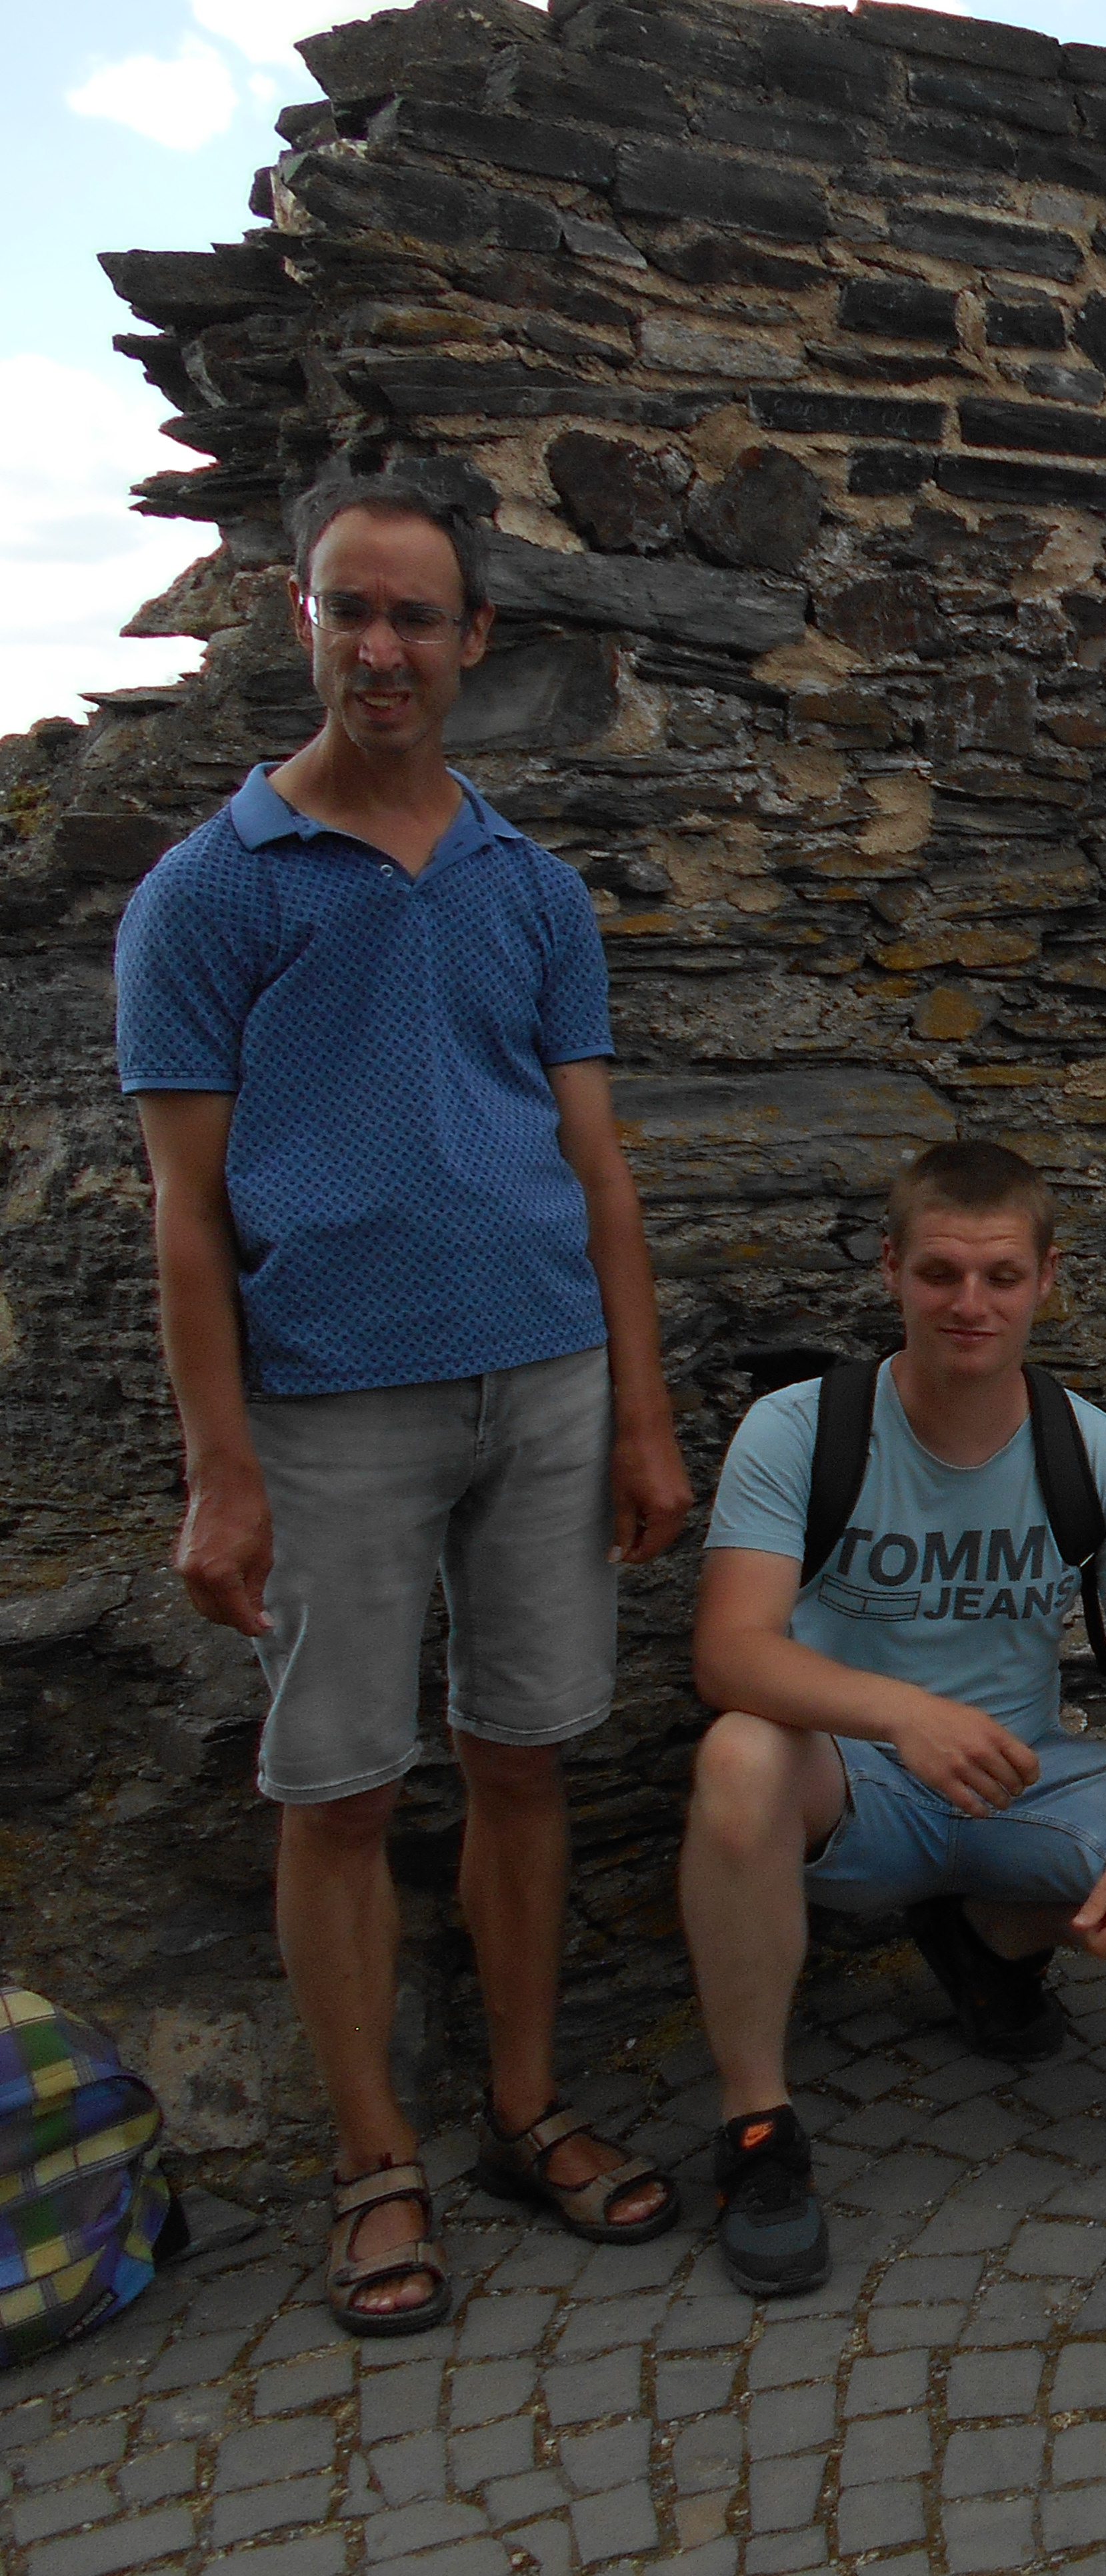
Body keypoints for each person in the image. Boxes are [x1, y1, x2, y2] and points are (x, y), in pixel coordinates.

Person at [116, 472, 692, 2337]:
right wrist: (219, 1476)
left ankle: (524, 2110)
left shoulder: (531, 889)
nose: (383, 648)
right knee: (343, 1789)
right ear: (302, 619)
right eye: (351, 611)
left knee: (525, 1759)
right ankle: (375, 2163)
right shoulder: (209, 894)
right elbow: (187, 1219)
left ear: (473, 643)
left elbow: (596, 1173)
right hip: (329, 1407)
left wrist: (642, 1415)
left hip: (542, 1378)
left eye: (417, 619)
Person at [679, 1143, 1106, 2295]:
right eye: (942, 1274)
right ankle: (757, 2127)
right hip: (850, 1786)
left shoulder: (1096, 1455)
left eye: (1002, 1277)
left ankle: (993, 1937)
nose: (972, 1304)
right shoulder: (802, 1430)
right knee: (741, 1752)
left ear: (1048, 1279)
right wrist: (901, 1714)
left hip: (1016, 1780)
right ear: (891, 1272)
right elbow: (731, 1652)